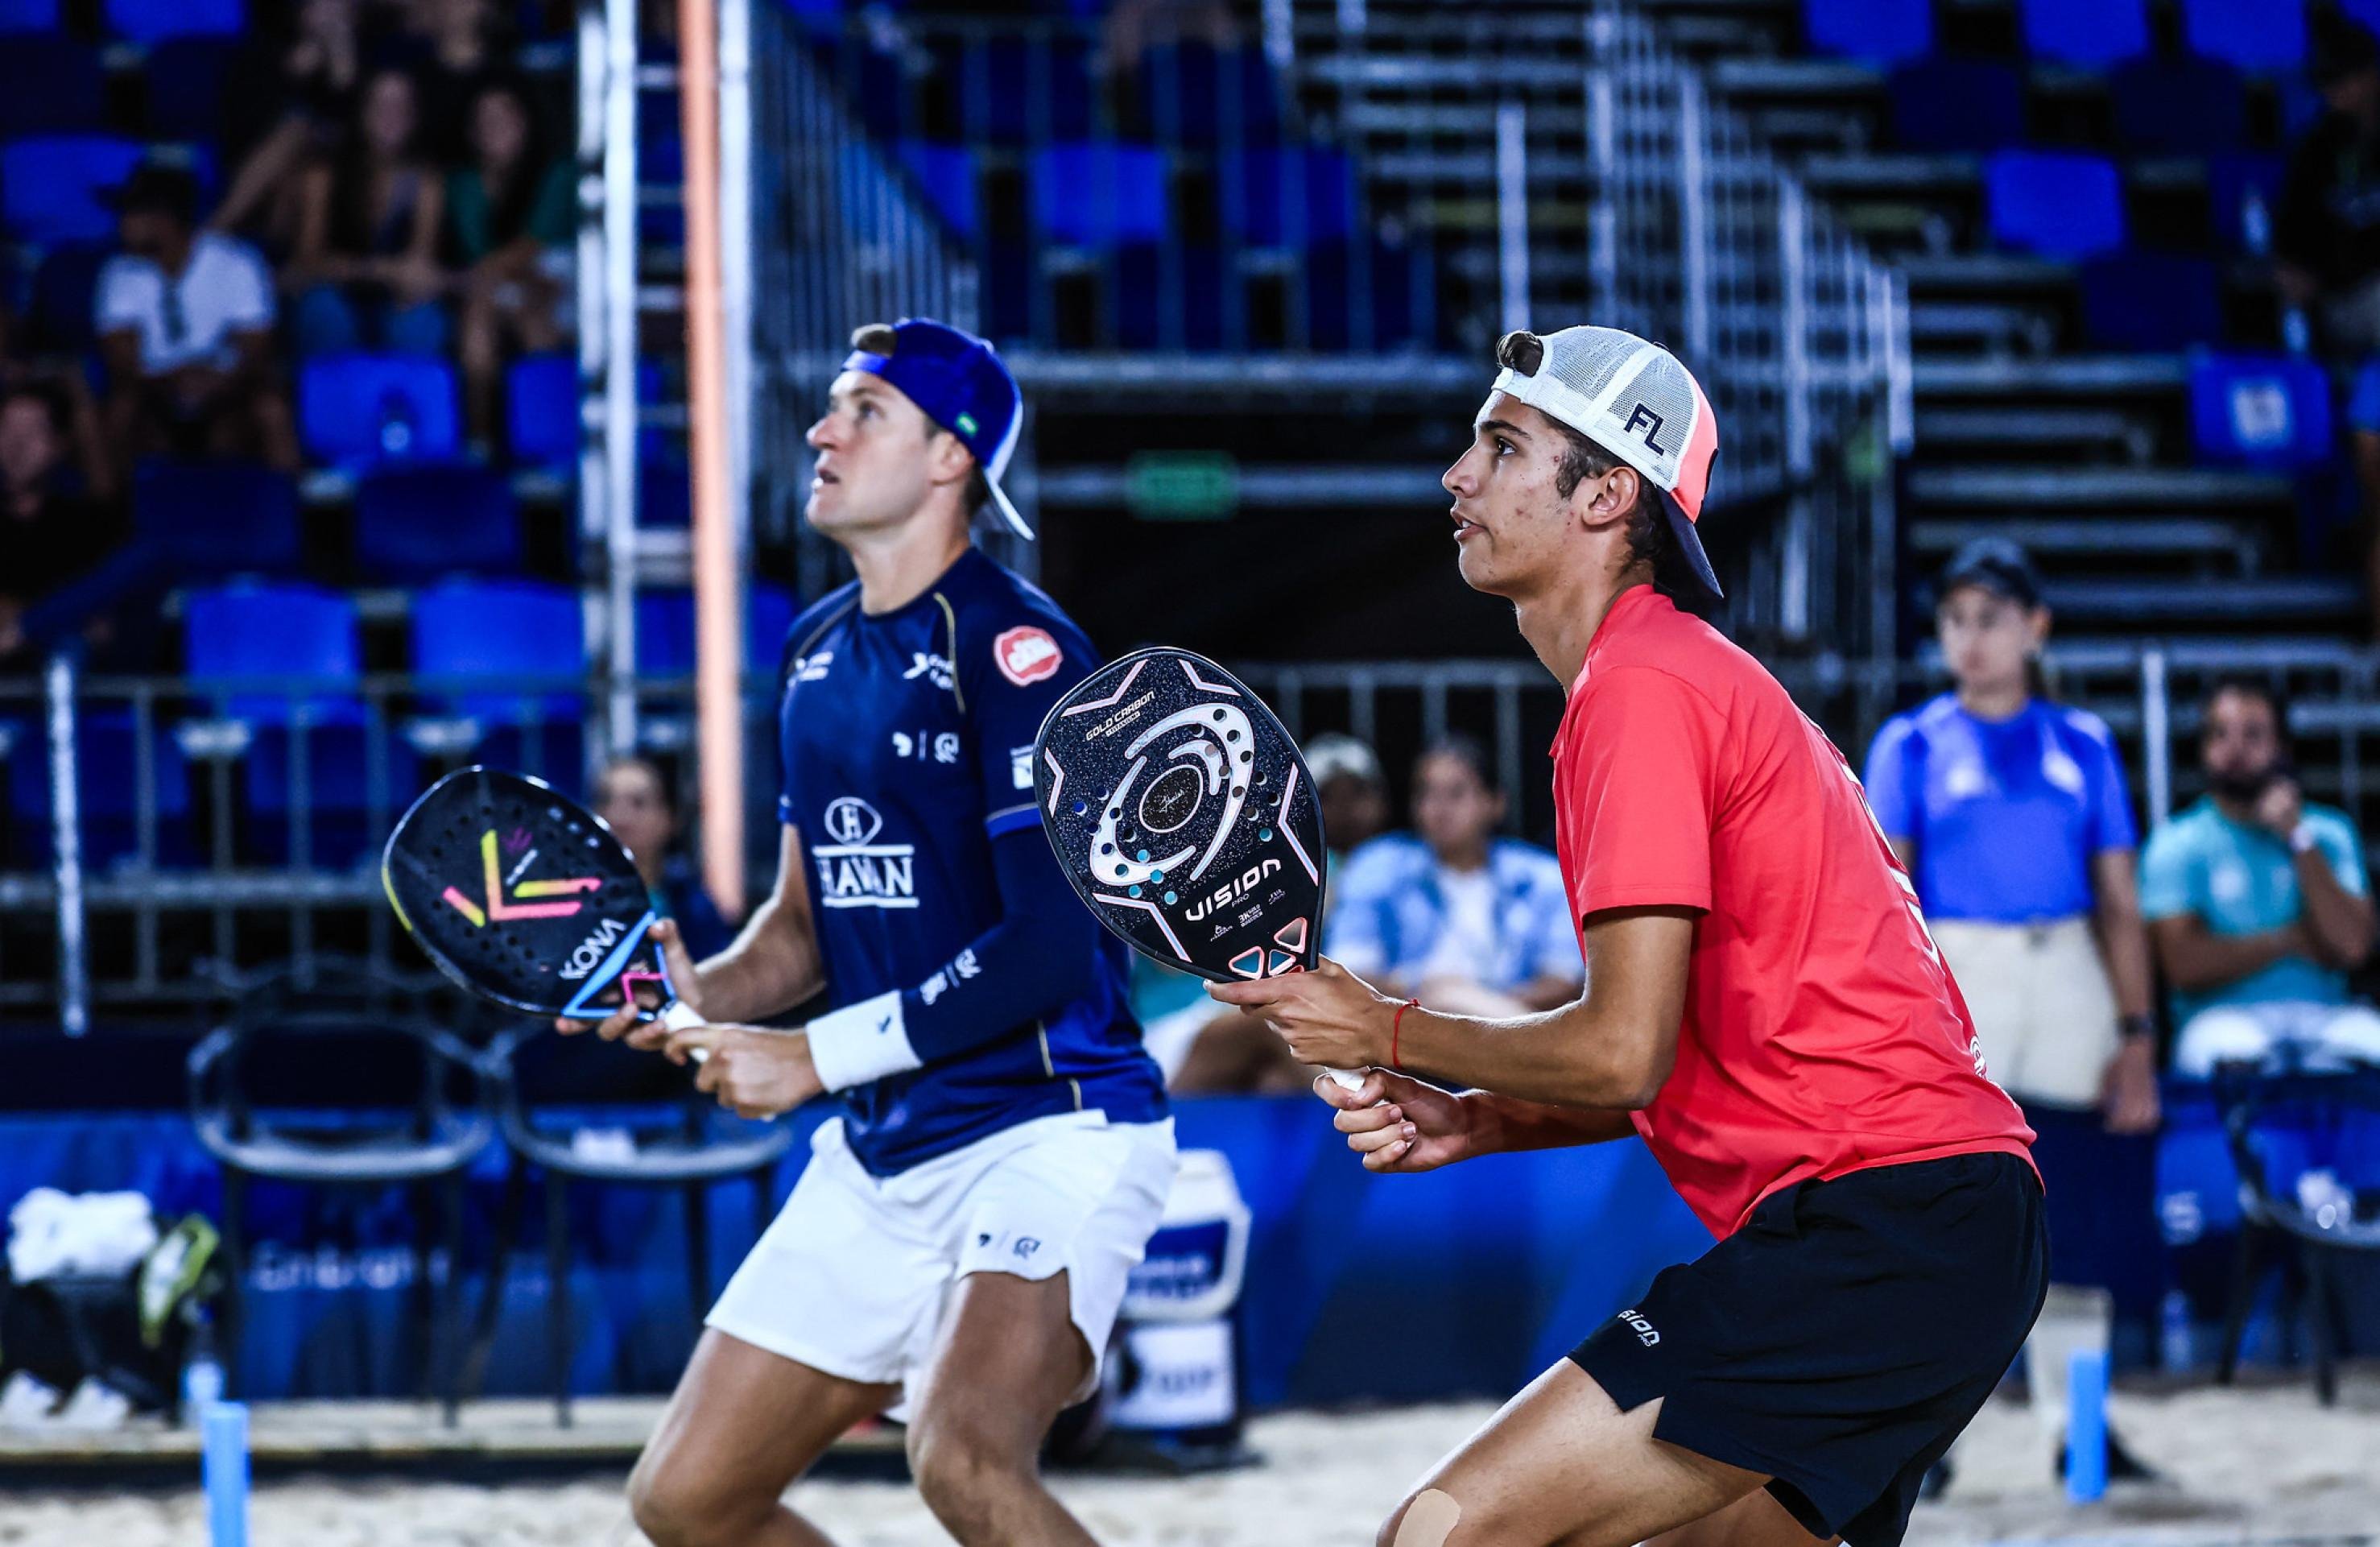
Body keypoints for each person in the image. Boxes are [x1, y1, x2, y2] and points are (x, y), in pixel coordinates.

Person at [1211, 325, 2043, 1547]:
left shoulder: (1640, 691)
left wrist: (1384, 1025)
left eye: (1500, 447)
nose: (1457, 475)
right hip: (1941, 1226)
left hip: (1882, 1228)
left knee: (1440, 1532)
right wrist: (1492, 1118)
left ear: (1607, 494)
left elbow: (1622, 1054)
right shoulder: (1666, 679)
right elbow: (1700, 1051)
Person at [565, 318, 1172, 1547]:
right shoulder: (814, 652)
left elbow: (1050, 950)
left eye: (864, 412)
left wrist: (809, 1058)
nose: (822, 430)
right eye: (833, 407)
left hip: (1048, 1129)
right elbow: (803, 930)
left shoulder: (1024, 649)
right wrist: (702, 990)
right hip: (889, 1147)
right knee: (687, 1502)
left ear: (952, 460)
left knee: (962, 1458)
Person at [1861, 538, 2159, 1487]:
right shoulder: (1910, 742)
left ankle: (2079, 1433)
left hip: (2065, 966)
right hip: (1957, 969)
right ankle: (1924, 1434)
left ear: (2035, 627)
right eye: (1955, 619)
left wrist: (2138, 1037)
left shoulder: (2086, 744)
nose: (1970, 637)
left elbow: (2120, 901)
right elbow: (1886, 895)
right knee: (1946, 1208)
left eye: (1990, 617)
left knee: (2075, 1208)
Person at [2142, 676, 2380, 1078]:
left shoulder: (2328, 832)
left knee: (2369, 1044)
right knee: (2229, 1055)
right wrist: (2288, 939)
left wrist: (2296, 836)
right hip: (2222, 1019)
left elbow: (2353, 945)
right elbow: (2184, 964)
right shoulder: (2176, 841)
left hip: (2327, 1018)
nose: (2234, 749)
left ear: (2282, 748)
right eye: (2220, 734)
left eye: (2253, 735)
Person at [1157, 731, 1392, 1093]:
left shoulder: (1380, 867)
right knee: (1280, 1021)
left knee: (1278, 1079)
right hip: (1176, 1029)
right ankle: (1379, 1118)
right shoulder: (1162, 870)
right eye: (1329, 796)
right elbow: (1169, 959)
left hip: (1263, 1023)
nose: (1344, 809)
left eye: (1356, 794)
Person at [1327, 735, 1583, 1020]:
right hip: (1406, 1034)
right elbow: (1350, 971)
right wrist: (1435, 1002)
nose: (1439, 809)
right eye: (1426, 794)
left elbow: (1566, 982)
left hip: (1514, 1034)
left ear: (1495, 803)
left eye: (1456, 793)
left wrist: (1469, 1006)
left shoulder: (1540, 877)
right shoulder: (1377, 867)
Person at [95, 163, 300, 475]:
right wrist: (173, 381)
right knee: (122, 409)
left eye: (131, 214)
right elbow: (122, 362)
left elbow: (257, 350)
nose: (121, 223)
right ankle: (109, 516)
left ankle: (284, 514)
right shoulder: (119, 273)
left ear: (163, 221)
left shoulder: (236, 263)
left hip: (228, 391)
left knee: (270, 408)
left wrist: (216, 383)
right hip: (155, 393)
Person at [444, 76, 572, 444]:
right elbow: (476, 251)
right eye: (483, 121)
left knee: (533, 309)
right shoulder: (464, 184)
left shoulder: (558, 173)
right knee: (480, 313)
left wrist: (457, 278)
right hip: (495, 289)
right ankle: (480, 440)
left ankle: (547, 439)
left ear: (526, 122)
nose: (493, 129)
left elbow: (532, 246)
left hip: (562, 286)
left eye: (504, 118)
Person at [288, 66, 449, 357]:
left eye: (401, 105)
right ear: (362, 111)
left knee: (421, 320)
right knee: (324, 310)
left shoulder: (426, 180)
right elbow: (309, 261)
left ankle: (402, 401)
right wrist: (380, 270)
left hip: (391, 300)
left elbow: (417, 267)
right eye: (381, 104)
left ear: (414, 116)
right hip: (333, 293)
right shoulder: (324, 174)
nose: (391, 114)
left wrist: (396, 278)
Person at [0, 385, 128, 668]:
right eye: (6, 431)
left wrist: (26, 617)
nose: (15, 446)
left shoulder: (85, 525)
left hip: (71, 675)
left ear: (59, 445)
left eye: (32, 433)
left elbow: (100, 628)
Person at [2275, 15, 2380, 358]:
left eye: (2344, 79)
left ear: (2371, 74)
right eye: (2327, 83)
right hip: (2348, 299)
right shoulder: (2316, 151)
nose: (2335, 92)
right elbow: (2293, 245)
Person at [592, 755, 735, 962]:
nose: (618, 816)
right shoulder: (568, 899)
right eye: (606, 800)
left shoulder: (694, 908)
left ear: (670, 819)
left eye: (638, 803)